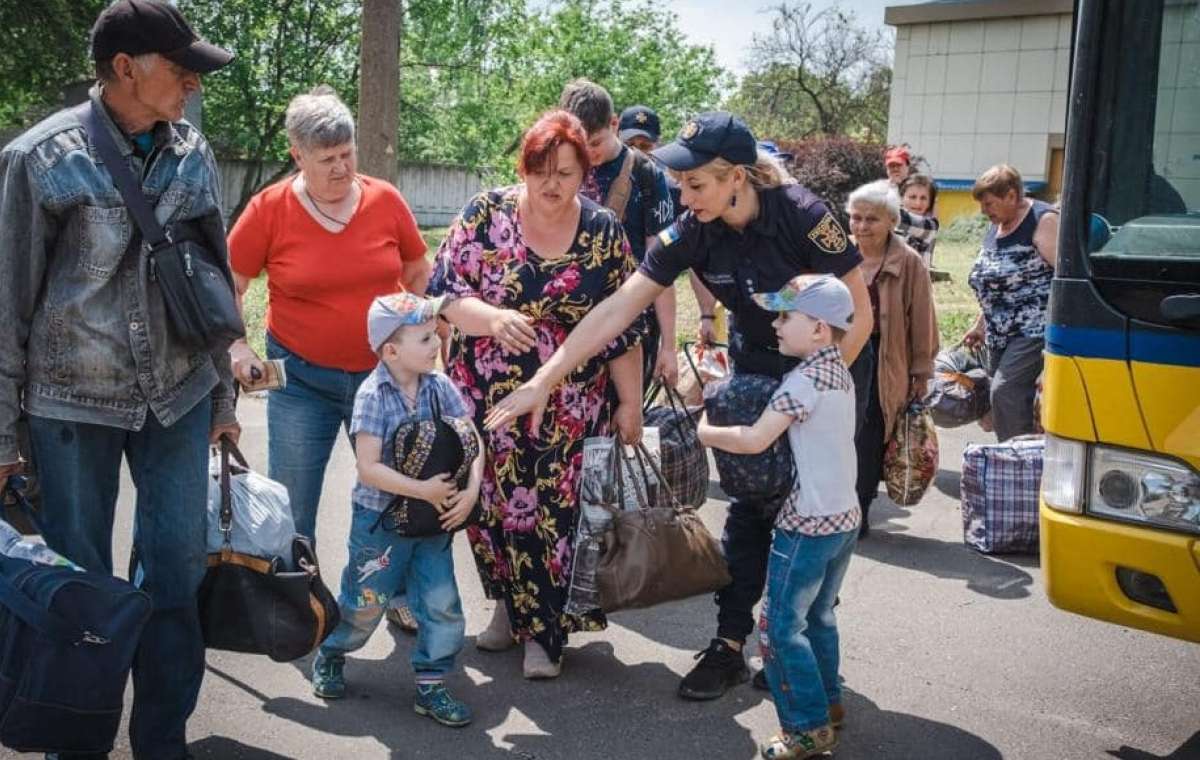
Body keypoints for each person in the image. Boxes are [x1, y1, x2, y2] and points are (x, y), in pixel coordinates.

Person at [482, 112, 873, 700]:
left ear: (737, 177)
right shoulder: (694, 228)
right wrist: (545, 377)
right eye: (680, 184)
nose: (682, 196)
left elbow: (859, 314)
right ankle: (731, 644)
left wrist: (814, 394)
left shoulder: (802, 215)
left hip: (828, 370)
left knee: (809, 510)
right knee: (749, 507)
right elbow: (619, 308)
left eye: (696, 185)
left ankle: (797, 644)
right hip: (756, 370)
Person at [0, 2, 238, 757]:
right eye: (181, 68)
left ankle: (162, 740)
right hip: (71, 407)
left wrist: (223, 393)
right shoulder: (39, 159)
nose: (194, 85)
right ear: (125, 69)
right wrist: (3, 432)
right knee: (82, 593)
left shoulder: (194, 152)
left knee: (175, 582)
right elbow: (6, 304)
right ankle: (79, 743)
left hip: (179, 398)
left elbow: (215, 283)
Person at [428, 110, 645, 679]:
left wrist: (629, 403)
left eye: (567, 173)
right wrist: (494, 318)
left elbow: (624, 327)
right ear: (523, 169)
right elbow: (445, 293)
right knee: (492, 505)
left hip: (569, 403)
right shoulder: (484, 214)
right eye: (542, 171)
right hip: (484, 394)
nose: (553, 184)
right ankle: (506, 607)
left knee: (553, 513)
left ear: (585, 174)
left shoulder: (602, 232)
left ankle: (545, 634)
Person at [226, 86, 428, 632]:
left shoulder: (384, 199)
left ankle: (399, 591)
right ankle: (299, 604)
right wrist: (237, 344)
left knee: (394, 490)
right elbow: (232, 282)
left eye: (348, 154)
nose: (342, 167)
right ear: (298, 155)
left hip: (383, 381)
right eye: (327, 159)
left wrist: (420, 330)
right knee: (294, 501)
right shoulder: (268, 210)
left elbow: (416, 268)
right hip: (301, 381)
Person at [697, 275, 860, 760]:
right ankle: (828, 704)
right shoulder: (838, 372)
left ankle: (806, 730)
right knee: (819, 616)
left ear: (820, 329)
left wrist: (705, 429)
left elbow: (752, 440)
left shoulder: (803, 381)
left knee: (779, 627)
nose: (776, 323)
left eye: (787, 316)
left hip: (805, 522)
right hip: (842, 517)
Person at [310, 293, 480, 729]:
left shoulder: (440, 387)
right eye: (424, 338)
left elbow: (472, 439)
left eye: (435, 333)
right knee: (365, 602)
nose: (436, 343)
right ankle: (331, 652)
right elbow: (369, 469)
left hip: (433, 521)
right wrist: (421, 488)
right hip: (379, 523)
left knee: (442, 602)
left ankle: (432, 681)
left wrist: (472, 490)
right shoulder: (372, 395)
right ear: (391, 350)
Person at [560, 80, 678, 385]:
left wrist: (669, 345)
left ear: (614, 124)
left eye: (595, 143)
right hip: (566, 323)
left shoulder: (646, 174)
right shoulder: (558, 166)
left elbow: (662, 262)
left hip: (629, 325)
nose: (588, 153)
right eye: (578, 142)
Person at [846, 181, 939, 536]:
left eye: (871, 219)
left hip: (886, 355)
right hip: (845, 352)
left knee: (870, 434)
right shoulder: (842, 254)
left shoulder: (909, 261)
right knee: (841, 431)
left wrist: (921, 371)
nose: (861, 226)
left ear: (891, 221)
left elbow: (923, 320)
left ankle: (860, 508)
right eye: (855, 218)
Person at [964, 164, 1058, 441]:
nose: (984, 211)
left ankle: (1015, 463)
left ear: (1012, 196)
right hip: (998, 332)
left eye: (989, 203)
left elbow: (1066, 277)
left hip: (1033, 330)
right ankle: (1015, 459)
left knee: (1005, 391)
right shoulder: (997, 226)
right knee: (1005, 401)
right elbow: (994, 284)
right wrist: (979, 324)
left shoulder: (1043, 221)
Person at [619, 103, 722, 346]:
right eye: (630, 145)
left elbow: (696, 257)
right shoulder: (596, 183)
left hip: (653, 296)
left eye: (645, 146)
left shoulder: (677, 193)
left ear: (658, 145)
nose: (638, 153)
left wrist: (707, 313)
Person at [896, 173, 939, 266]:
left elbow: (902, 218)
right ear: (901, 198)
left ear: (930, 203)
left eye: (923, 198)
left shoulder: (930, 226)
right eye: (912, 197)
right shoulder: (893, 223)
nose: (917, 203)